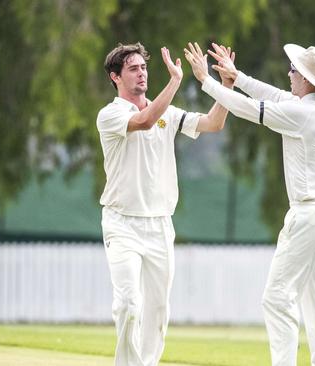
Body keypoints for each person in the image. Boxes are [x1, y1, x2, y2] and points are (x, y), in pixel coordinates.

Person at [184, 42, 315, 366]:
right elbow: (273, 96)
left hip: (310, 215)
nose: (289, 74)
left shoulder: (303, 113)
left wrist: (207, 82)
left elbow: (251, 110)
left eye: (294, 71)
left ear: (308, 80)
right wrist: (238, 77)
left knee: (276, 298)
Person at [97, 42, 232, 366]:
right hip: (122, 223)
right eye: (133, 68)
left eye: (143, 67)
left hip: (159, 226)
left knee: (157, 312)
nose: (142, 73)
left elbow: (214, 123)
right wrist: (175, 81)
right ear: (115, 77)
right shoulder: (111, 114)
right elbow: (144, 120)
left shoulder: (169, 114)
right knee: (129, 304)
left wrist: (227, 86)